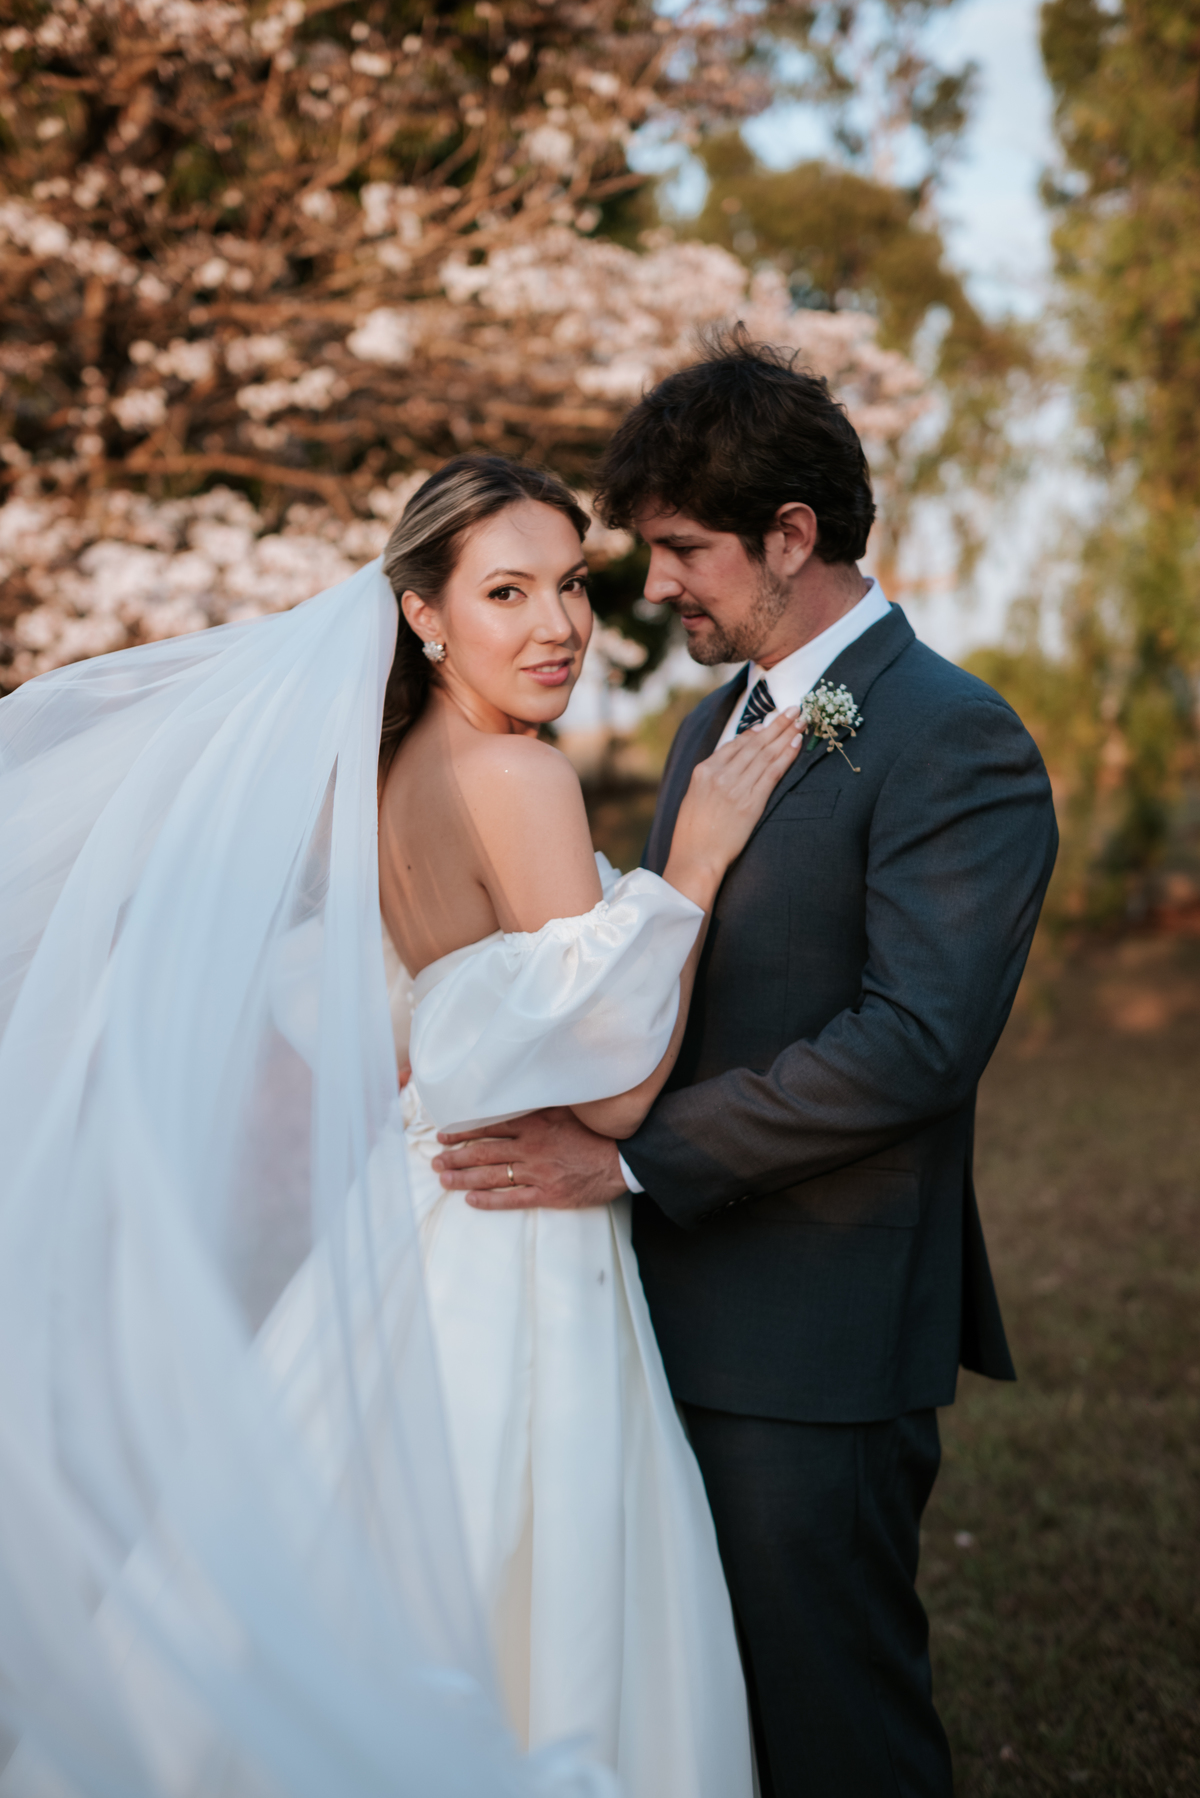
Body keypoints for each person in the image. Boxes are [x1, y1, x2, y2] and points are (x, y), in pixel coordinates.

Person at [0, 451, 786, 1797]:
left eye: (572, 585)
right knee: (511, 1586)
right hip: (518, 1242)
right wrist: (694, 867)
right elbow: (610, 1096)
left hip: (409, 1218)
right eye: (506, 592)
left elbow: (432, 1018)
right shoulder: (521, 777)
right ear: (424, 613)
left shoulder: (386, 775)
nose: (559, 624)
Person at [432, 334, 1060, 1797]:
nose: (654, 588)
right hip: (659, 1307)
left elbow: (915, 1043)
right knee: (700, 1722)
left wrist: (629, 1159)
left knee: (831, 1719)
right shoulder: (714, 722)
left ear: (791, 535)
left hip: (814, 1332)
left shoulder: (956, 738)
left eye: (683, 550)